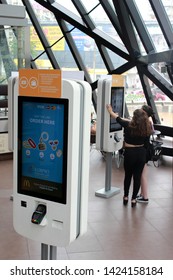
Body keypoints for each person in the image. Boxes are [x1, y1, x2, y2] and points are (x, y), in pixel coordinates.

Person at [106, 105, 152, 207]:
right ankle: (134, 199)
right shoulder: (147, 127)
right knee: (137, 177)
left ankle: (126, 196)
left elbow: (117, 118)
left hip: (130, 153)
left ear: (134, 117)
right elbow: (147, 144)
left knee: (128, 176)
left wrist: (110, 110)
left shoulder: (128, 125)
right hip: (141, 153)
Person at [136, 105, 155, 203]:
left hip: (143, 151)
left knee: (142, 174)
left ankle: (145, 197)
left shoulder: (143, 123)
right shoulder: (149, 122)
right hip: (147, 150)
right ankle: (142, 194)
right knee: (143, 173)